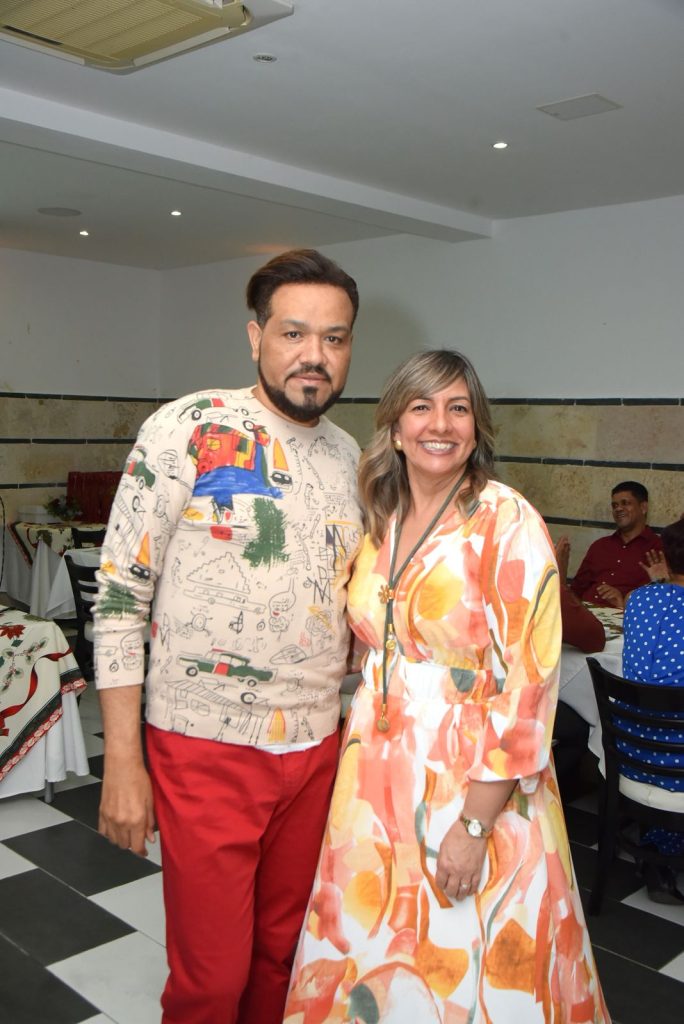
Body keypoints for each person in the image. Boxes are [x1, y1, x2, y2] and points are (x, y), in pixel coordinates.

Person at [284, 350, 609, 1023]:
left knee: (464, 958)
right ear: (395, 426)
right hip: (376, 779)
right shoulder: (381, 516)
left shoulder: (506, 521)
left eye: (458, 408)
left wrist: (474, 823)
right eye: (422, 407)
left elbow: (529, 689)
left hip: (473, 782)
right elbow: (370, 637)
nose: (440, 424)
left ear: (476, 426)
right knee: (375, 950)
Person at [93, 249, 364, 1024]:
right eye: (294, 333)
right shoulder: (188, 428)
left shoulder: (351, 456)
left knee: (281, 957)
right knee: (211, 978)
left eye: (335, 338)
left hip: (315, 749)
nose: (314, 355)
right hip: (205, 744)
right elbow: (120, 596)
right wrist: (123, 762)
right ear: (255, 338)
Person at [620, 517, 684, 904]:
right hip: (677, 768)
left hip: (632, 755)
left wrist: (661, 582)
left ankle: (657, 848)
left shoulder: (640, 599)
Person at [564, 481, 662, 609]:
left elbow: (660, 604)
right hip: (586, 614)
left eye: (625, 503)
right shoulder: (600, 546)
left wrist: (623, 602)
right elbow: (576, 591)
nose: (618, 509)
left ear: (643, 507)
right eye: (615, 505)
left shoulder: (659, 549)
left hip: (627, 617)